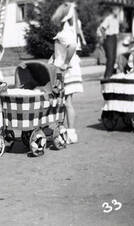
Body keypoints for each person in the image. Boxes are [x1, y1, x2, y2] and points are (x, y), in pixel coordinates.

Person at [50, 2, 83, 144]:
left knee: (68, 102)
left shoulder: (65, 32)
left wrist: (65, 63)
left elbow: (73, 46)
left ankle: (71, 132)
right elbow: (59, 52)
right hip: (63, 69)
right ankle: (67, 131)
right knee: (64, 102)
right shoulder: (66, 31)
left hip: (67, 71)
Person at [98, 6, 120, 78]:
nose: (117, 12)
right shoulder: (108, 18)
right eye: (116, 10)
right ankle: (107, 75)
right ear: (113, 10)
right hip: (109, 38)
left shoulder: (116, 19)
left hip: (114, 38)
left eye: (118, 10)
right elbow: (102, 28)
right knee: (110, 57)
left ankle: (110, 75)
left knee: (113, 57)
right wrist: (104, 37)